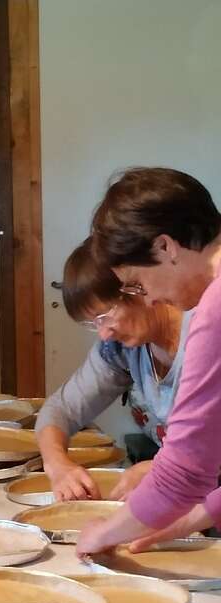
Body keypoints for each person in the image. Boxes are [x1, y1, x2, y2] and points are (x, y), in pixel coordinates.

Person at [74, 167, 221, 557]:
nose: (149, 299)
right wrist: (188, 520)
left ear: (165, 247)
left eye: (138, 284)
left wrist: (105, 534)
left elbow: (184, 472)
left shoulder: (216, 307)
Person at [37, 238, 190, 501]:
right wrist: (57, 465)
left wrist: (162, 468)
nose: (104, 334)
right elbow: (60, 410)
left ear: (138, 287)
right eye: (93, 323)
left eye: (105, 315)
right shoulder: (122, 348)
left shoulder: (203, 333)